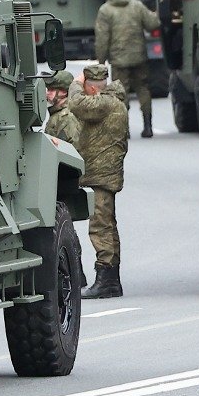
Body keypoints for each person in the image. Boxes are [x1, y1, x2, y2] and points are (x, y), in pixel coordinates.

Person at [68, 65, 130, 299]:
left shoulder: (104, 103)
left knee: (100, 226)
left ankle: (106, 280)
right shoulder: (113, 101)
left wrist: (75, 83)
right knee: (107, 225)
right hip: (104, 173)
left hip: (102, 175)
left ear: (92, 88)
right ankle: (111, 280)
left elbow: (76, 104)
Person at [92, 0, 162, 138]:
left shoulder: (105, 11)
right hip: (139, 57)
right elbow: (153, 24)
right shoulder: (136, 6)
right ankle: (148, 127)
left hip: (119, 60)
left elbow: (102, 39)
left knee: (120, 93)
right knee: (143, 89)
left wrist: (101, 62)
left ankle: (125, 130)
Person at [44, 68, 81, 145]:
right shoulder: (58, 113)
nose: (47, 93)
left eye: (52, 90)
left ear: (64, 92)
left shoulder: (66, 117)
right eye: (48, 89)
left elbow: (71, 149)